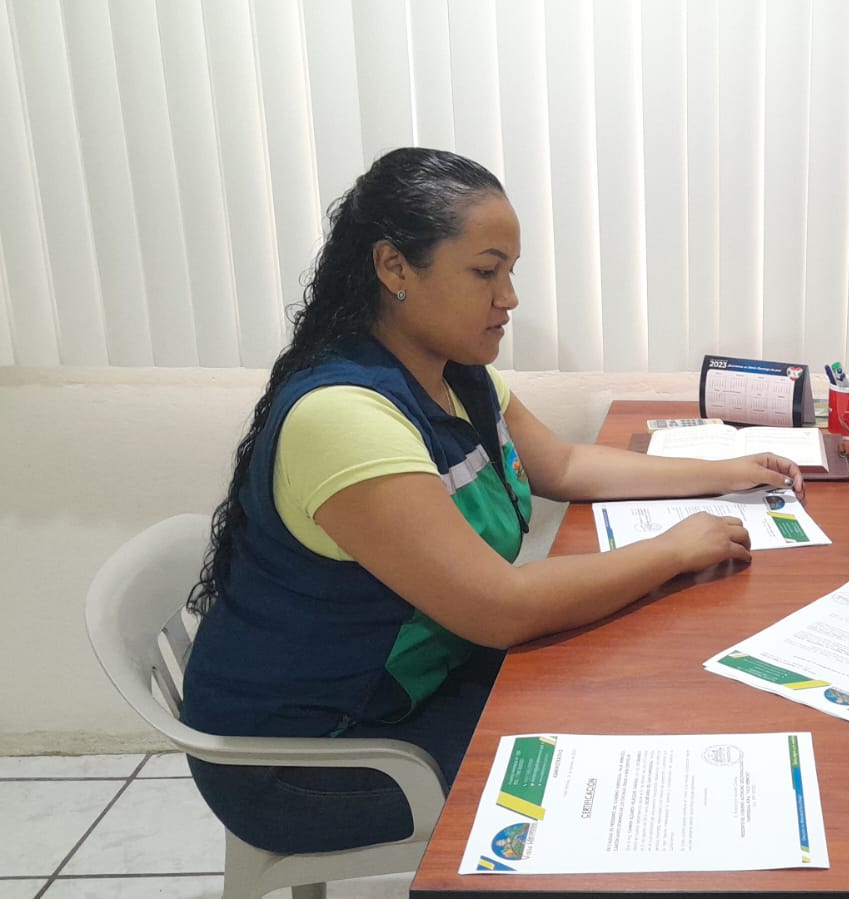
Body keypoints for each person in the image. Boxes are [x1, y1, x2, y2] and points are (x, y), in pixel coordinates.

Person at [181, 147, 805, 855]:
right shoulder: (344, 417)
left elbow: (563, 464)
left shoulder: (455, 374)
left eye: (510, 271)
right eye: (485, 272)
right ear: (394, 268)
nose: (508, 298)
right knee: (620, 754)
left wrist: (721, 472)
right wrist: (672, 549)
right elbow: (500, 610)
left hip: (420, 685)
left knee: (633, 680)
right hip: (312, 756)